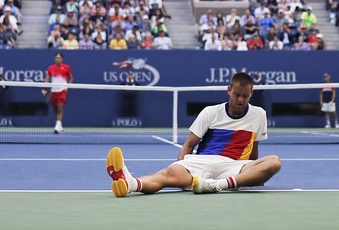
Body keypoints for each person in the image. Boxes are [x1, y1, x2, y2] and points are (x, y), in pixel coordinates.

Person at [106, 72, 281, 197]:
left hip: (235, 166)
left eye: (245, 96)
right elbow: (189, 145)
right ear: (228, 90)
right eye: (236, 95)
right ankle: (130, 183)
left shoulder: (259, 114)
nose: (240, 100)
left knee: (274, 162)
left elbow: (254, 150)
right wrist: (180, 165)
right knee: (167, 176)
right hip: (202, 162)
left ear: (251, 94)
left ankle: (217, 185)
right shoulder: (210, 112)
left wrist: (254, 174)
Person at [42, 52, 73, 134]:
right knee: (55, 109)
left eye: (59, 58)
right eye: (56, 58)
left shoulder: (67, 67)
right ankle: (59, 125)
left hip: (62, 90)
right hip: (54, 91)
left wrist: (67, 86)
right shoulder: (51, 68)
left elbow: (71, 78)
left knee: (60, 107)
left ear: (62, 59)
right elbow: (47, 78)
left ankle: (57, 125)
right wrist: (44, 88)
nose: (57, 59)